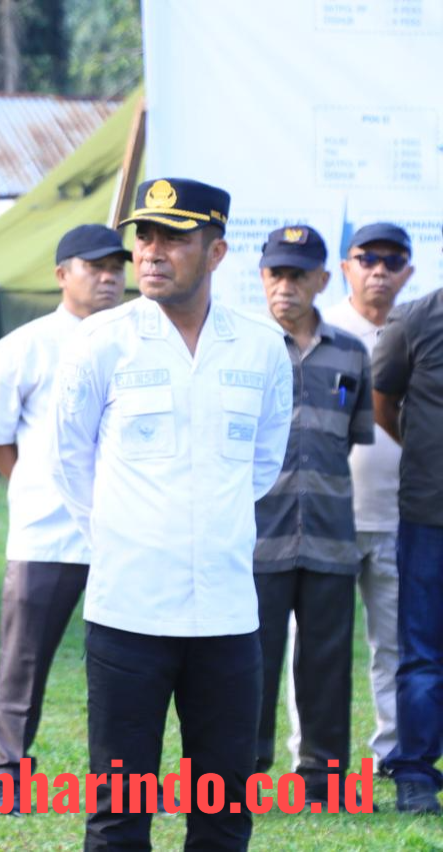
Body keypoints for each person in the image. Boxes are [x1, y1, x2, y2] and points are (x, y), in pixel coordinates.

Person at [53, 178, 293, 850]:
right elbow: (69, 462)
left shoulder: (260, 346)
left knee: (224, 812)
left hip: (227, 615)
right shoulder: (102, 340)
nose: (152, 252)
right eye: (145, 236)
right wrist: (128, 542)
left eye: (174, 238)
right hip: (128, 613)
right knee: (118, 813)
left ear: (216, 252)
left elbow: (262, 466)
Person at [0, 224, 127, 810]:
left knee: (129, 667)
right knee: (24, 663)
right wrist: (36, 484)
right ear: (62, 274)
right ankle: (9, 779)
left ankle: (121, 781)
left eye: (116, 266)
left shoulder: (140, 340)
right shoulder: (25, 346)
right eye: (95, 266)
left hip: (125, 533)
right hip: (47, 533)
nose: (109, 277)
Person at [251, 225, 373, 809]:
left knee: (327, 663)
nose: (287, 286)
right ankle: (239, 772)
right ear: (261, 277)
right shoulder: (245, 349)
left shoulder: (351, 352)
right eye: (277, 274)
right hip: (257, 540)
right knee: (249, 662)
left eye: (299, 275)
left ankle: (324, 781)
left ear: (323, 279)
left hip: (330, 536)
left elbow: (352, 436)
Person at [320, 222, 414, 775]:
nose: (379, 270)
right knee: (319, 649)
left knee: (397, 647)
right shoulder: (323, 330)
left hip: (403, 518)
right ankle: (314, 761)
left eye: (392, 261)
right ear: (346, 267)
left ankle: (393, 754)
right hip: (329, 517)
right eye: (367, 259)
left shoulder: (420, 330)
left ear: (409, 271)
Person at [372, 237, 443, 815]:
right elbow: (383, 402)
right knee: (422, 651)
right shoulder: (416, 319)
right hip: (430, 515)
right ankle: (415, 771)